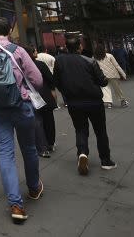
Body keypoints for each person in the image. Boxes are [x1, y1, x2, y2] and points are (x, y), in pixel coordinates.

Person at [0, 18, 43, 224]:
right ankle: (33, 187)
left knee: (5, 152)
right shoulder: (18, 50)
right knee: (29, 148)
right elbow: (38, 79)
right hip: (20, 106)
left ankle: (15, 204)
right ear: (10, 30)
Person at [54, 35, 115, 176]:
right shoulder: (90, 61)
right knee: (100, 131)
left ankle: (82, 153)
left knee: (80, 129)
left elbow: (56, 81)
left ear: (66, 47)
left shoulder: (59, 61)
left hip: (74, 102)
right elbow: (102, 82)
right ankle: (105, 161)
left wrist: (67, 92)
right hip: (94, 101)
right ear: (79, 47)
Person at [30, 47, 57, 157]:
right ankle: (50, 142)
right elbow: (50, 78)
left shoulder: (22, 66)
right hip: (44, 94)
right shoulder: (40, 64)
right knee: (49, 120)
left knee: (37, 121)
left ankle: (42, 145)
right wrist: (52, 90)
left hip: (31, 96)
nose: (36, 52)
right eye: (34, 51)